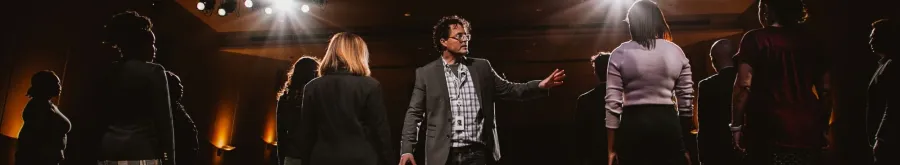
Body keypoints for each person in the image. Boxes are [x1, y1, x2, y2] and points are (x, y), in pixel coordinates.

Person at [399, 15, 566, 165]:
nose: (465, 40)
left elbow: (510, 89)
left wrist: (540, 85)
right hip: (443, 156)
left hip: (477, 154)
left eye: (466, 36)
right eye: (459, 36)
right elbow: (414, 113)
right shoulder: (426, 73)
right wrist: (407, 149)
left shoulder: (481, 67)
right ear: (443, 41)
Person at [730, 0, 832, 164]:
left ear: (767, 9)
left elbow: (743, 87)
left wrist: (736, 126)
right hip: (807, 128)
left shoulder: (755, 39)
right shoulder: (814, 41)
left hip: (767, 128)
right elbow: (825, 91)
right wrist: (823, 127)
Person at [604, 0, 694, 165]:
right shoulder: (676, 51)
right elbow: (686, 103)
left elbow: (612, 104)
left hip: (633, 124)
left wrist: (611, 149)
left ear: (632, 23)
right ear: (658, 21)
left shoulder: (619, 53)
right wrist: (686, 144)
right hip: (667, 123)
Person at [285, 32, 394, 165]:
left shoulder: (312, 87)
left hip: (322, 158)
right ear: (360, 54)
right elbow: (381, 132)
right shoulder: (371, 85)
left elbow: (308, 134)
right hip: (362, 158)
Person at [96, 10, 176, 165]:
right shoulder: (154, 71)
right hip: (141, 149)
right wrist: (169, 159)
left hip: (108, 147)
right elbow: (164, 122)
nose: (155, 49)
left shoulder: (108, 72)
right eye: (152, 44)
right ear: (140, 44)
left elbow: (98, 115)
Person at [15, 70, 72, 165]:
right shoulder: (38, 106)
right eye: (56, 83)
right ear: (45, 85)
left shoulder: (48, 104)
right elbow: (35, 137)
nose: (59, 86)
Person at [696, 39, 739, 165]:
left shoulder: (706, 85)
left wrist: (703, 157)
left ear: (713, 61)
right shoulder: (747, 81)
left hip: (717, 152)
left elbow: (704, 125)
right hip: (746, 148)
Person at [866, 18, 899, 165]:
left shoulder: (891, 66)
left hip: (890, 141)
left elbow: (893, 106)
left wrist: (881, 137)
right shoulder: (885, 64)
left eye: (875, 37)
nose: (870, 42)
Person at [276, 56, 320, 164]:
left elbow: (281, 134)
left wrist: (281, 160)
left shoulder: (285, 98)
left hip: (291, 156)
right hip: (313, 157)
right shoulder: (317, 98)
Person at [573, 52, 610, 165]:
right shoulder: (627, 98)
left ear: (596, 72)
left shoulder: (584, 100)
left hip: (595, 157)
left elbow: (579, 137)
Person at [166, 71, 198, 165]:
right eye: (177, 84)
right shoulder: (166, 110)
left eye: (180, 83)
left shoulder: (177, 107)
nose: (181, 87)